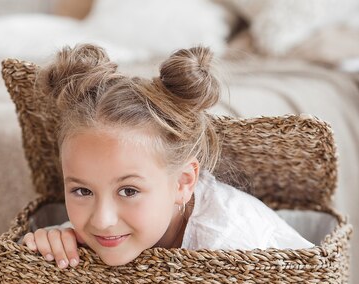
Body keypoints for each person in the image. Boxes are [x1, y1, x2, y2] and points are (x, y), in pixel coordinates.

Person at [22, 43, 313, 269]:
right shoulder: (118, 224)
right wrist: (59, 236)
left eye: (128, 190)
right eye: (82, 190)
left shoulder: (230, 248)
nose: (102, 220)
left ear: (183, 183)